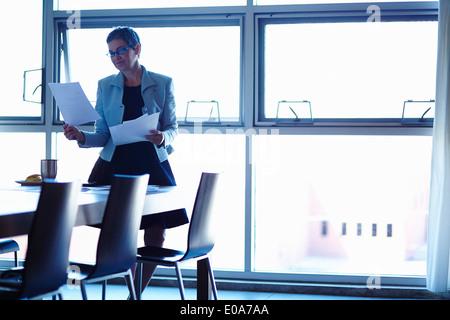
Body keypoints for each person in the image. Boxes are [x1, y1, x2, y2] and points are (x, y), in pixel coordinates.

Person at [63, 26, 188, 296]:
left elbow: (174, 127)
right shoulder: (104, 85)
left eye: (120, 50)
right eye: (110, 53)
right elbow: (102, 135)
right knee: (119, 234)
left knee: (157, 231)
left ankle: (135, 294)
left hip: (152, 162)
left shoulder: (163, 82)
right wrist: (80, 137)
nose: (116, 57)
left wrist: (163, 137)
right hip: (115, 164)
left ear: (137, 49)